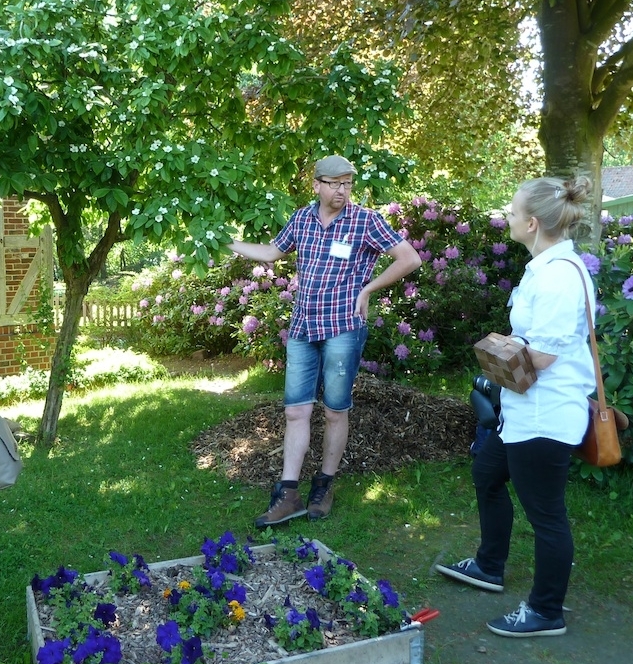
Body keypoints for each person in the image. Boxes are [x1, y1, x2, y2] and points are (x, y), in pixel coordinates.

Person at [435, 176, 596, 637]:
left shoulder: (561, 276)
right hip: (523, 410)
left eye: (511, 208)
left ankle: (546, 611)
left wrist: (497, 358)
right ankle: (489, 565)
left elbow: (540, 357)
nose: (505, 213)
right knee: (487, 475)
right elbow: (534, 343)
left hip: (545, 415)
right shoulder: (544, 266)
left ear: (530, 222)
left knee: (546, 514)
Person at [229, 155, 421, 526]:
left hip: (342, 329)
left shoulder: (366, 221)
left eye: (347, 183)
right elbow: (271, 253)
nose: (341, 190)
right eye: (334, 183)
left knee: (335, 409)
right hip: (302, 328)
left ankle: (324, 484)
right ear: (316, 185)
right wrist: (227, 243)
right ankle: (288, 493)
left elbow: (408, 258)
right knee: (295, 410)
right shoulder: (302, 218)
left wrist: (369, 288)